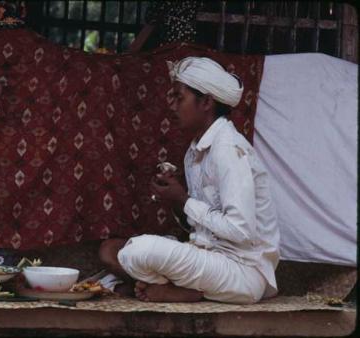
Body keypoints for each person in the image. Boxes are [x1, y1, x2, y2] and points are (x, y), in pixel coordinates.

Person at [99, 57, 280, 304]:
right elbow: (201, 227)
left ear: (206, 102)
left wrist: (183, 199)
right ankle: (176, 288)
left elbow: (240, 230)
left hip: (242, 271)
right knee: (110, 251)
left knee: (138, 251)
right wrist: (175, 200)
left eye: (178, 97)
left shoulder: (227, 148)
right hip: (207, 256)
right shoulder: (195, 151)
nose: (171, 105)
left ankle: (183, 291)